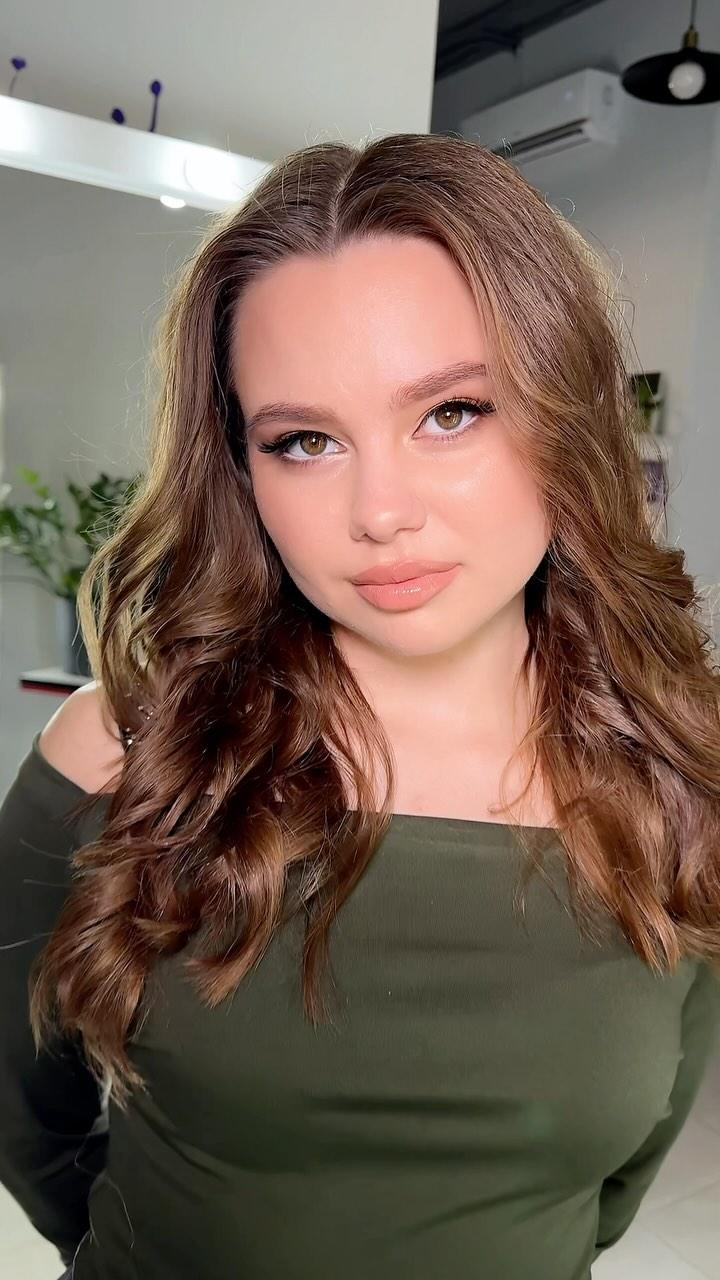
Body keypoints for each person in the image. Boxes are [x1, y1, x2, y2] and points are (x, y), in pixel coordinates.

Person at [1, 131, 719, 1280]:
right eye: (305, 440)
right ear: (243, 470)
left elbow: (609, 1189)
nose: (381, 510)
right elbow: (26, 1114)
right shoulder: (121, 749)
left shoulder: (682, 772)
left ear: (569, 411)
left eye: (452, 413)